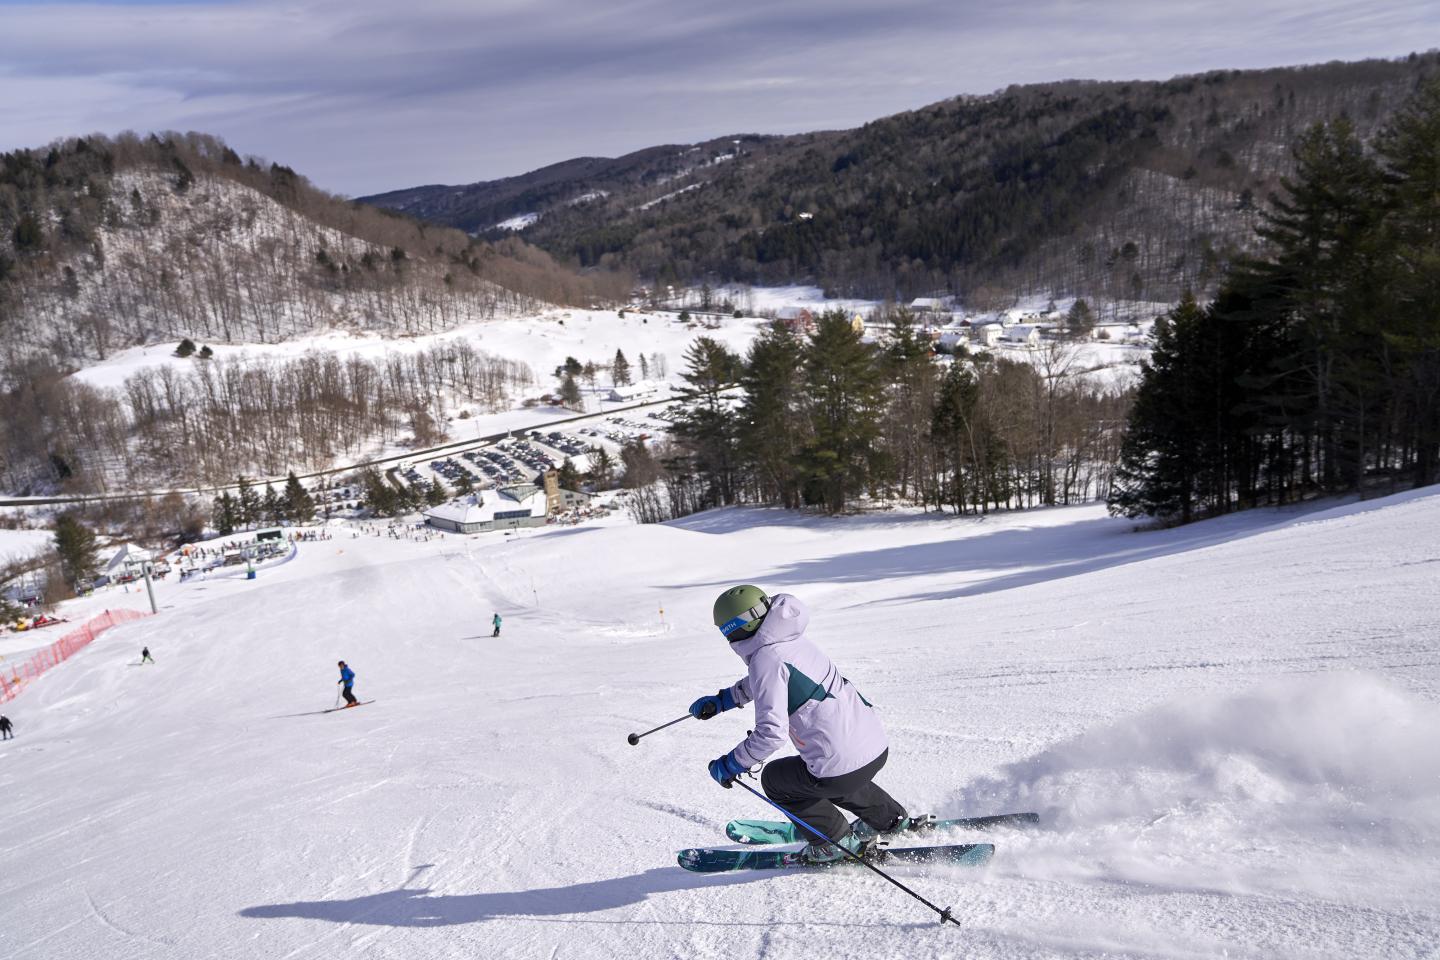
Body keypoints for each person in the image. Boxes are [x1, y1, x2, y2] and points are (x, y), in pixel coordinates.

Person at [689, 585, 910, 864]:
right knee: (833, 765)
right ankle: (889, 818)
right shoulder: (791, 640)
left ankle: (835, 843)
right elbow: (773, 681)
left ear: (733, 630)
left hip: (843, 766)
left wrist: (732, 764)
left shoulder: (766, 659)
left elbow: (771, 733)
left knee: (778, 780)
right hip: (874, 748)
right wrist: (724, 700)